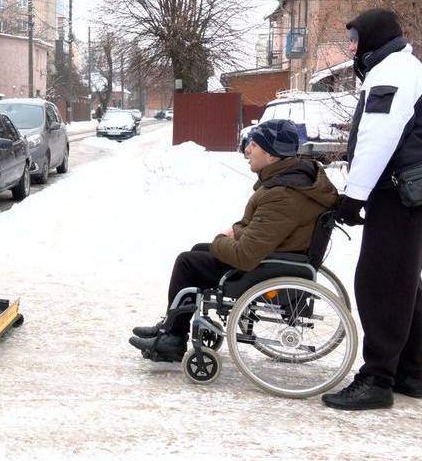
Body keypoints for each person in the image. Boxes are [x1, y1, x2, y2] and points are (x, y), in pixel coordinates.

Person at [130, 119, 338, 361]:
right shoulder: (290, 183)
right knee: (198, 250)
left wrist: (221, 238)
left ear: (271, 154)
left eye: (254, 145)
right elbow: (265, 230)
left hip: (265, 268)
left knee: (187, 262)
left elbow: (245, 256)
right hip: (278, 256)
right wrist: (237, 232)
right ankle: (172, 326)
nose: (247, 150)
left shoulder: (283, 195)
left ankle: (174, 339)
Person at [322, 9, 422, 411]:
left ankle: (377, 378)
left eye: (355, 40)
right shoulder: (400, 67)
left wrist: (355, 195)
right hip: (409, 195)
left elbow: (378, 136)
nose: (352, 48)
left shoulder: (392, 71)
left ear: (374, 38)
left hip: (399, 194)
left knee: (381, 282)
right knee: (403, 280)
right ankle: (410, 373)